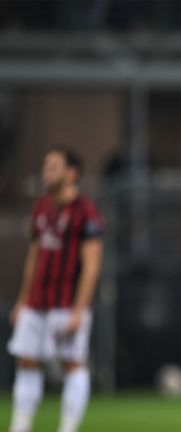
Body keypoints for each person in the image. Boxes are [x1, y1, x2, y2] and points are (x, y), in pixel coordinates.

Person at [7, 147, 104, 432]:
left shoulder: (86, 212)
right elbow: (33, 257)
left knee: (72, 364)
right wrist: (22, 301)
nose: (45, 172)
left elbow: (91, 265)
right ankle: (20, 426)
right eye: (45, 166)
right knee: (26, 361)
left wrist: (79, 310)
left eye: (53, 166)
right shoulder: (41, 207)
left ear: (71, 173)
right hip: (36, 302)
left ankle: (68, 427)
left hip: (66, 304)